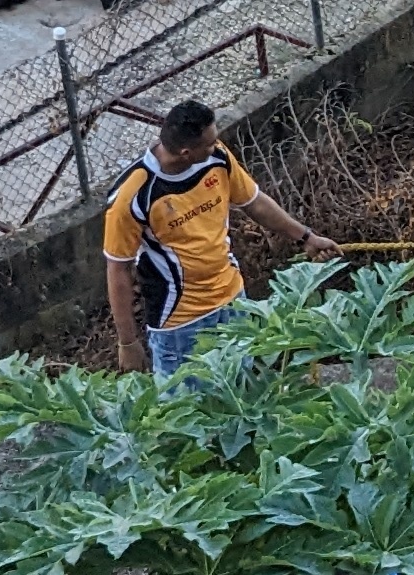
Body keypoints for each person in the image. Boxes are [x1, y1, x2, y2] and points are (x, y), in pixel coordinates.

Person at [100, 98, 332, 376]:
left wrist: (305, 237)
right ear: (186, 152)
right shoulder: (132, 196)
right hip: (180, 320)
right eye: (209, 143)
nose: (217, 146)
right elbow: (118, 269)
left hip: (233, 298)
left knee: (241, 389)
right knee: (187, 408)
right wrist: (128, 342)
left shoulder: (217, 158)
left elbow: (254, 202)